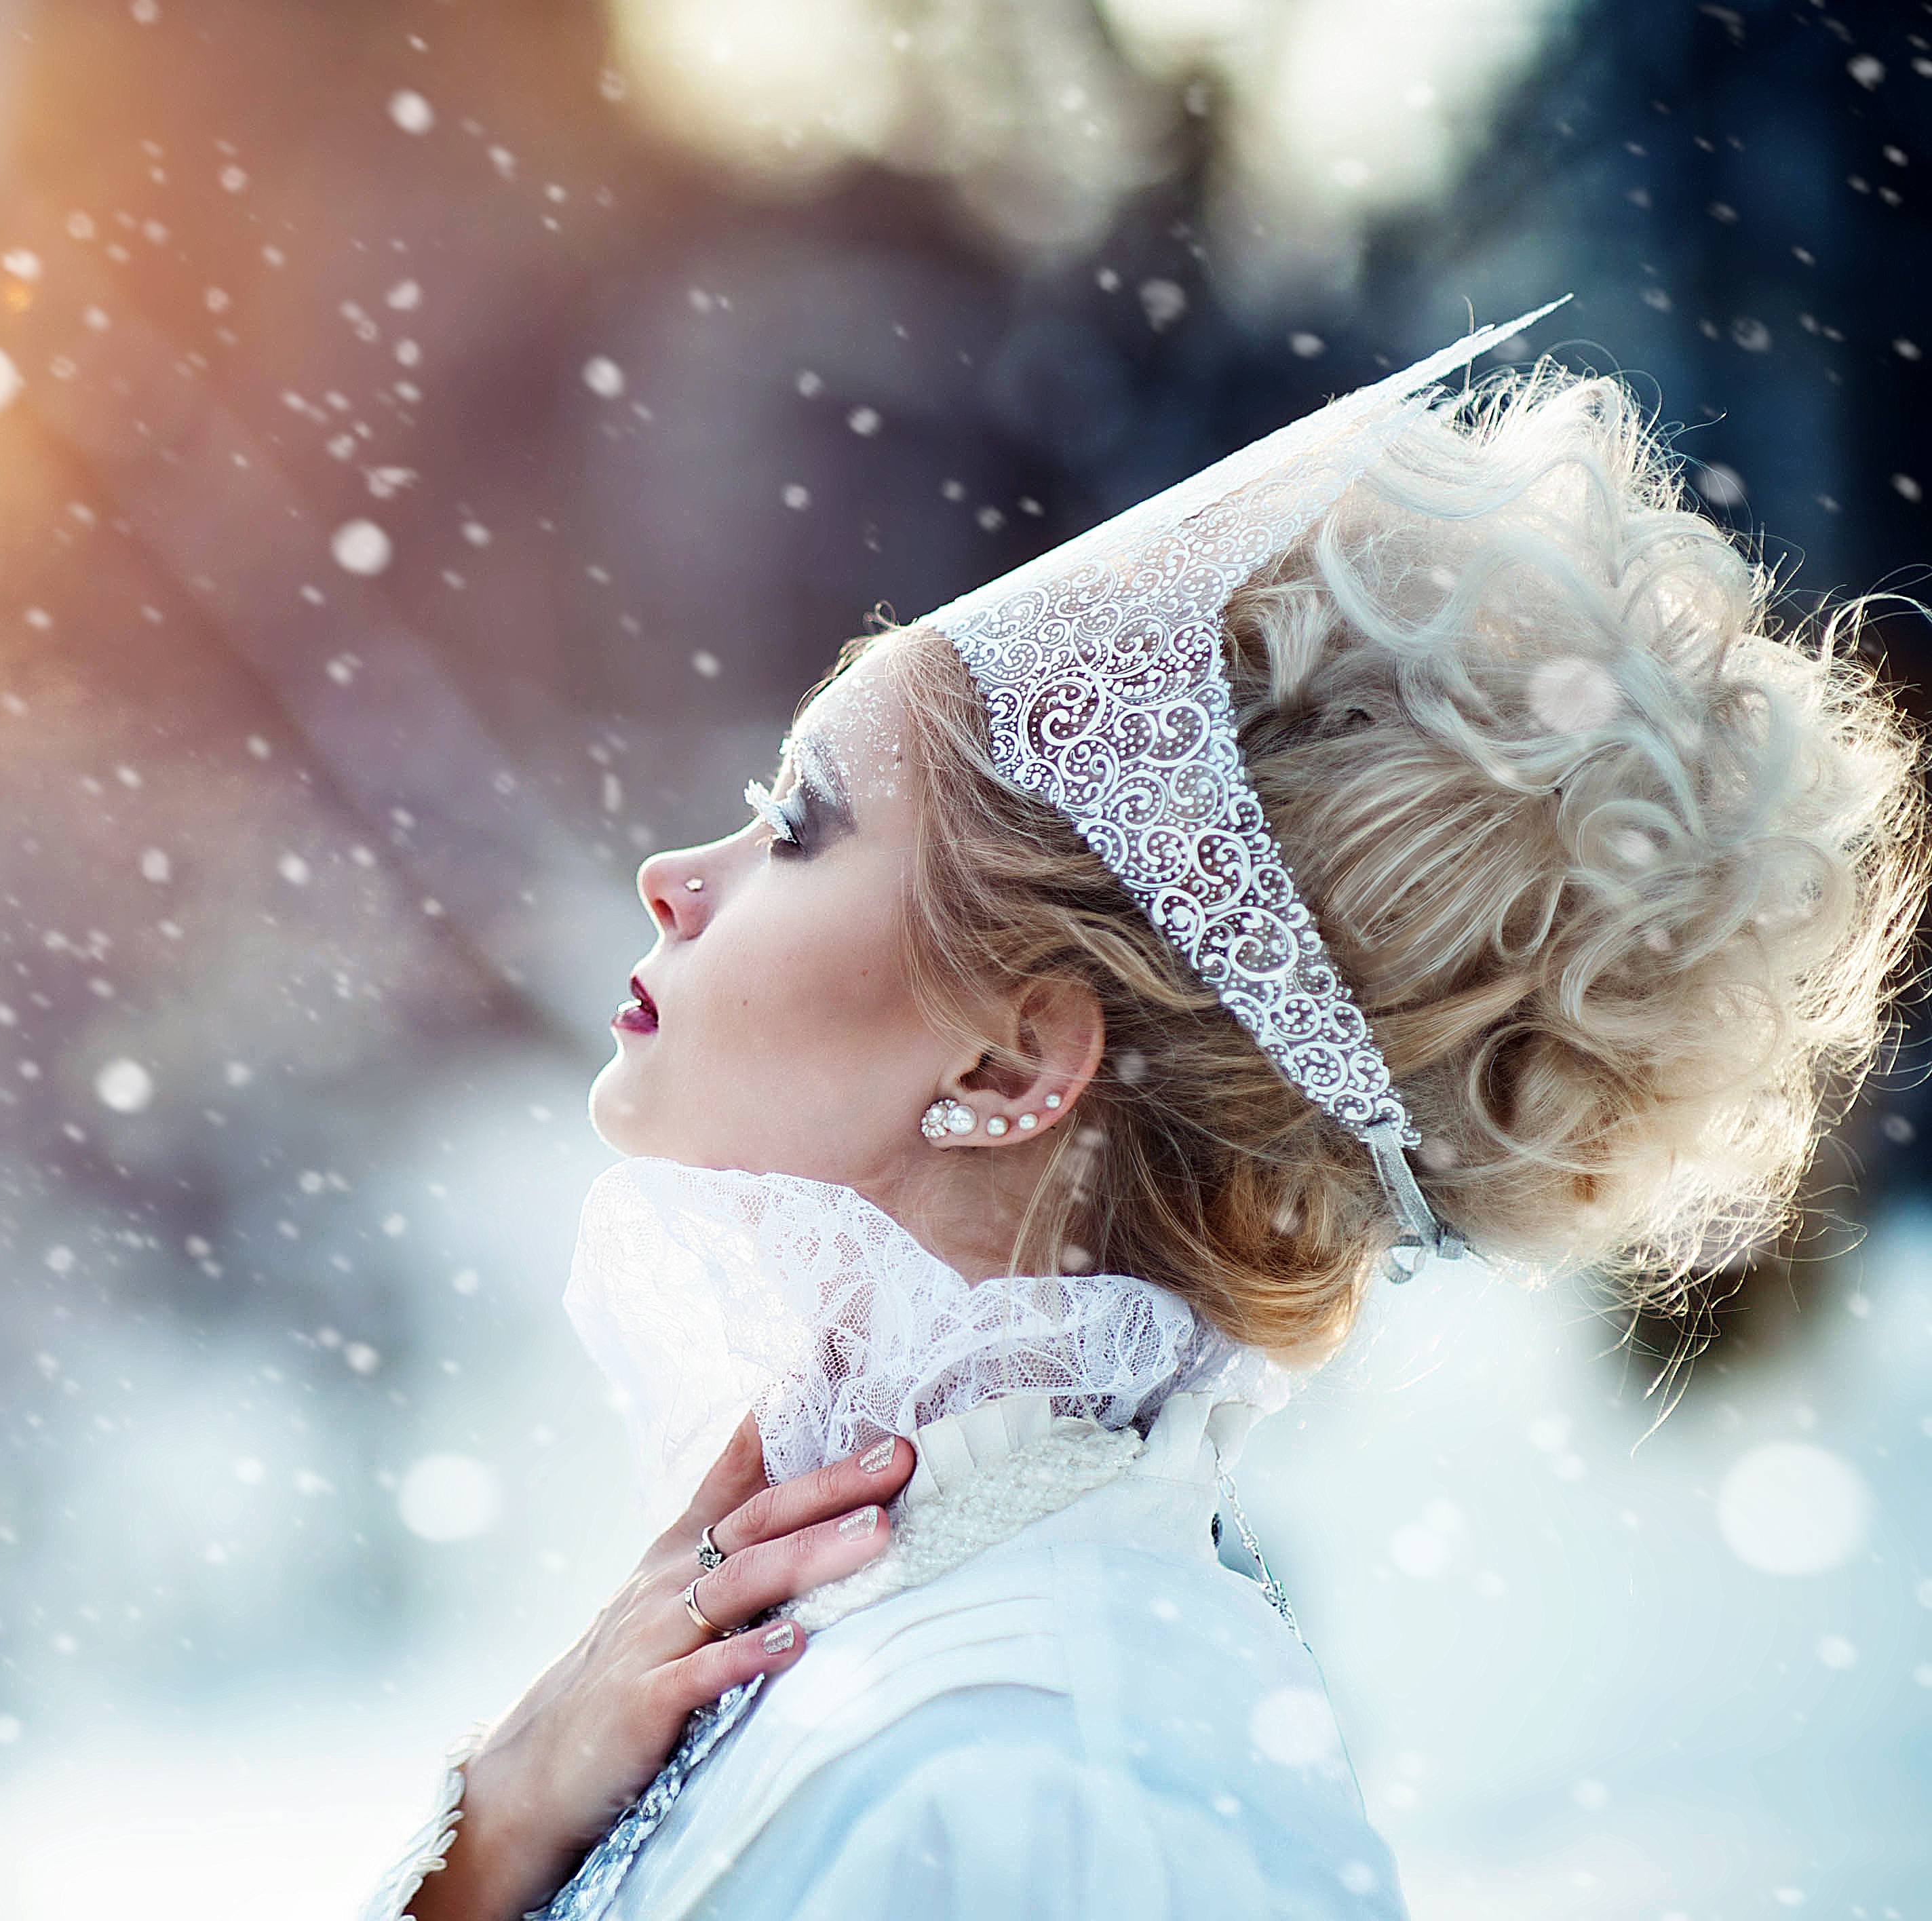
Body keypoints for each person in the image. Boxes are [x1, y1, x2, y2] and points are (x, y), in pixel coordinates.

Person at [366, 311, 1929, 1920]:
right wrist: (488, 1832)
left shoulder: (1047, 1796)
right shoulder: (859, 1639)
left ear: (1006, 1065)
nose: (674, 879)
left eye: (798, 821)